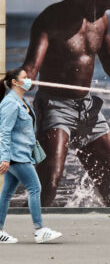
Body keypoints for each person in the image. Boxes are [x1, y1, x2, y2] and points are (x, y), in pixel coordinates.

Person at [8, 0, 110, 207]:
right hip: (55, 106)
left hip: (88, 108)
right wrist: (17, 79)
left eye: (107, 9)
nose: (102, 13)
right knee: (49, 182)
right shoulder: (50, 20)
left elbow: (109, 56)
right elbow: (31, 68)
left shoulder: (101, 20)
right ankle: (33, 234)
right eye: (100, 7)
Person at [0, 68, 62, 243]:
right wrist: (4, 158)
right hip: (16, 156)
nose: (29, 80)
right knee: (35, 188)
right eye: (25, 77)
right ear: (15, 82)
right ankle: (39, 230)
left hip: (21, 154)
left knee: (6, 194)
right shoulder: (10, 103)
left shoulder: (21, 101)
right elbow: (4, 131)